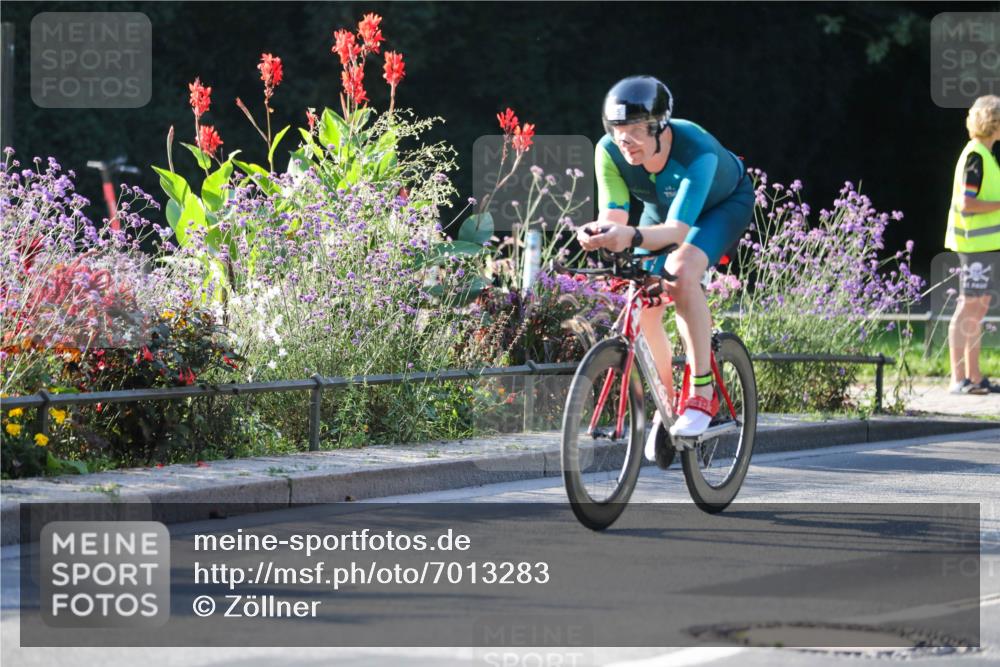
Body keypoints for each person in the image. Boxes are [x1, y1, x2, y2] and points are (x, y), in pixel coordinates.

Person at [576, 75, 754, 454]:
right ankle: (669, 405)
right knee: (643, 300)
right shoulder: (608, 151)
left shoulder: (696, 149)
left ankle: (703, 392)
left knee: (681, 271)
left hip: (720, 207)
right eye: (618, 130)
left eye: (637, 131)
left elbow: (676, 231)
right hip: (663, 211)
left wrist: (634, 237)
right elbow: (615, 215)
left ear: (660, 127)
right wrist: (600, 232)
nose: (625, 141)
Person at [945, 94, 1000, 395]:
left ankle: (975, 377)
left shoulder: (984, 155)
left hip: (985, 247)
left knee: (978, 311)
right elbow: (968, 204)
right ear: (994, 122)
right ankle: (958, 380)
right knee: (968, 308)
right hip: (974, 247)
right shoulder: (976, 156)